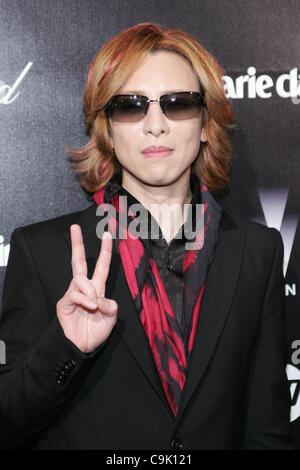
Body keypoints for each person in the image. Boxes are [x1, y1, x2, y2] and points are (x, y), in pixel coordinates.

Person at [0, 22, 292, 450]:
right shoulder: (44, 252)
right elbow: (8, 421)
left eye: (178, 103)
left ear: (207, 124)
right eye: (131, 106)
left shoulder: (256, 252)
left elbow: (267, 431)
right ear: (108, 131)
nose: (156, 125)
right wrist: (66, 348)